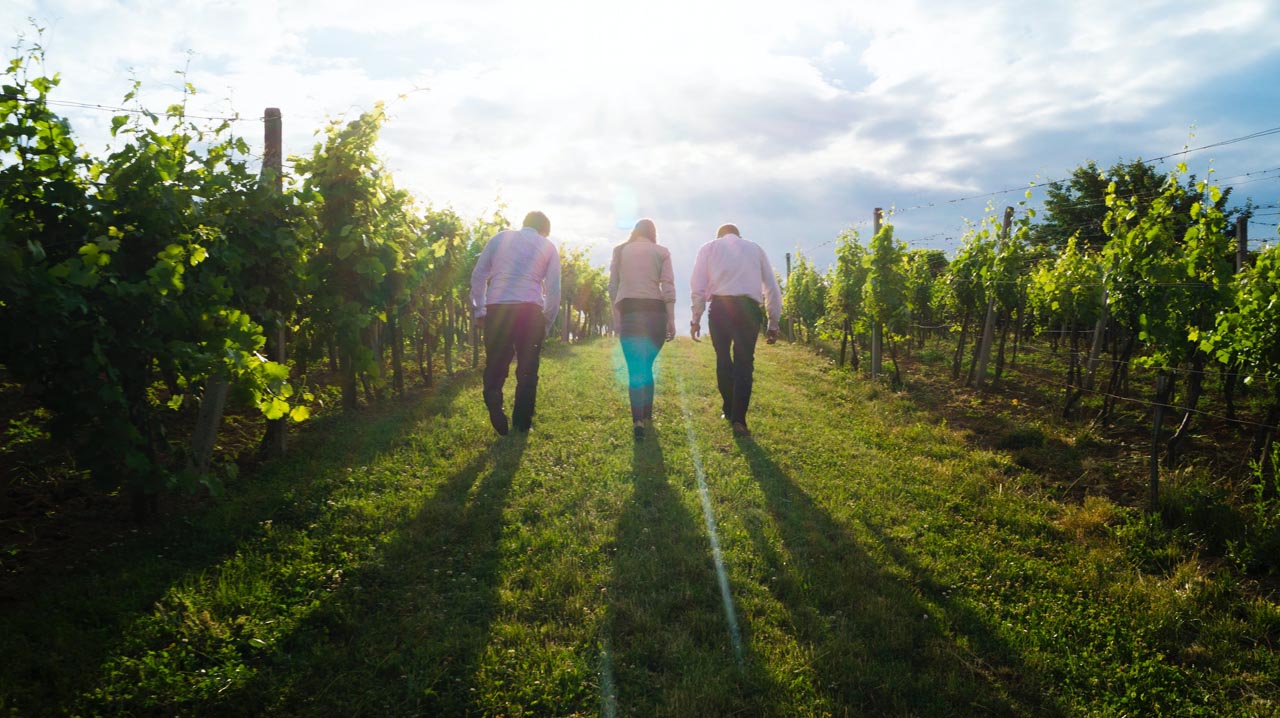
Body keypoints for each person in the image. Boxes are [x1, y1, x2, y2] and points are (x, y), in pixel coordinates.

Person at [470, 211, 561, 435]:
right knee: (528, 370)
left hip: (498, 308)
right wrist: (546, 322)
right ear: (544, 230)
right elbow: (554, 289)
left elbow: (478, 275)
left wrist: (480, 309)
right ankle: (521, 423)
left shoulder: (500, 238)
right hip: (530, 311)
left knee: (496, 361)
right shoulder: (548, 247)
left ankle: (493, 394)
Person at [689, 223, 782, 438]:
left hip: (720, 308)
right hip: (748, 310)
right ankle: (739, 419)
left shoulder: (709, 248)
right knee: (744, 362)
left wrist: (696, 319)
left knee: (723, 359)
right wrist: (773, 322)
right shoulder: (755, 249)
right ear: (739, 235)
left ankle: (729, 409)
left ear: (719, 235)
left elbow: (697, 286)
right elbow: (771, 287)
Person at [608, 218, 677, 441]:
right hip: (656, 313)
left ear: (634, 231)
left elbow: (613, 287)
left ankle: (638, 420)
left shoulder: (620, 251)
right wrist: (671, 319)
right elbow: (668, 286)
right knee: (647, 365)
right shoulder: (662, 252)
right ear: (653, 233)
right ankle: (647, 415)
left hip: (629, 312)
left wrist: (616, 317)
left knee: (635, 368)